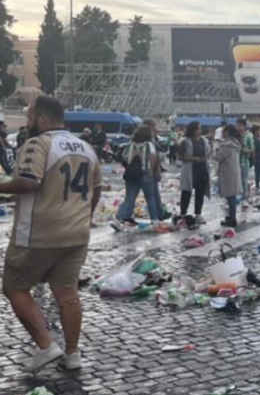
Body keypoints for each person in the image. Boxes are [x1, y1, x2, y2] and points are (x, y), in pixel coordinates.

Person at [1, 96, 101, 372]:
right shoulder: (86, 146)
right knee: (67, 293)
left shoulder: (37, 143)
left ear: (43, 119)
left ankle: (46, 346)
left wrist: (2, 187)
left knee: (14, 286)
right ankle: (72, 354)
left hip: (39, 234)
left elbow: (28, 182)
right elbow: (98, 189)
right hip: (77, 234)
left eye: (30, 116)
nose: (28, 122)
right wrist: (85, 216)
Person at [114, 125, 161, 227]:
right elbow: (153, 157)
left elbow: (124, 158)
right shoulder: (149, 145)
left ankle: (117, 220)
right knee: (150, 197)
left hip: (131, 175)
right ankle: (154, 220)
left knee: (129, 198)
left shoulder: (129, 145)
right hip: (145, 174)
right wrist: (151, 171)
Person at [178, 121, 211, 223]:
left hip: (202, 169)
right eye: (197, 129)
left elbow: (209, 152)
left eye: (200, 129)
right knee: (186, 192)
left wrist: (205, 158)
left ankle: (198, 214)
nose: (199, 131)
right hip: (190, 169)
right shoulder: (185, 141)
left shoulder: (204, 141)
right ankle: (183, 214)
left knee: (200, 193)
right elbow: (180, 156)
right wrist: (192, 159)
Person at [215, 125, 242, 228]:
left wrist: (216, 149)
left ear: (227, 132)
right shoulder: (235, 143)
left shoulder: (227, 145)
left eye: (223, 131)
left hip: (228, 173)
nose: (222, 133)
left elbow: (218, 157)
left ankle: (232, 218)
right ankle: (231, 216)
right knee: (232, 196)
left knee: (231, 197)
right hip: (233, 171)